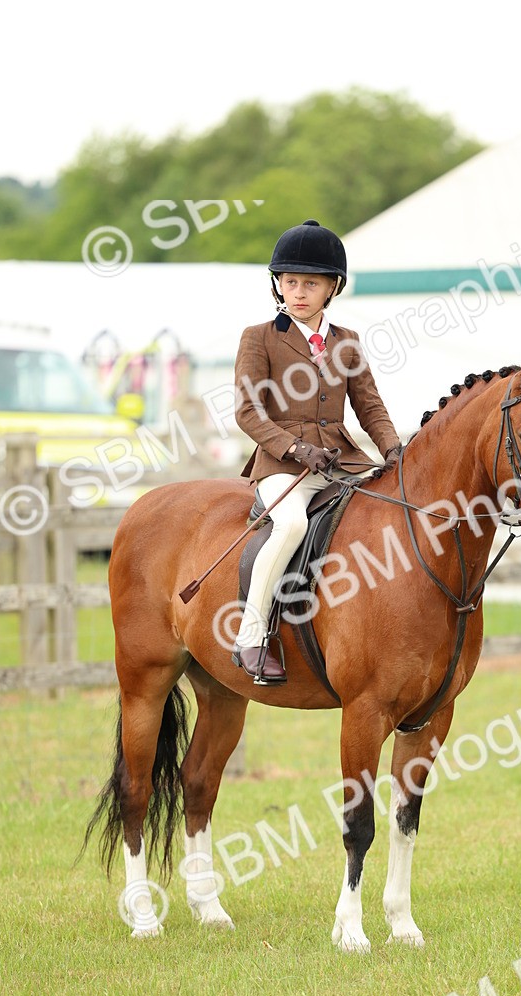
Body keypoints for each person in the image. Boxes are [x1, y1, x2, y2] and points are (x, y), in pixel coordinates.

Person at [232, 219, 402, 685]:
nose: (298, 292)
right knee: (292, 524)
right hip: (281, 465)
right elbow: (248, 412)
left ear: (332, 288)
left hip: (342, 461)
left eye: (311, 283)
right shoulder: (259, 337)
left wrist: (392, 450)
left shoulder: (345, 341)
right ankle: (251, 636)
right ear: (278, 285)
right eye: (290, 282)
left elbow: (369, 405)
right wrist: (296, 448)